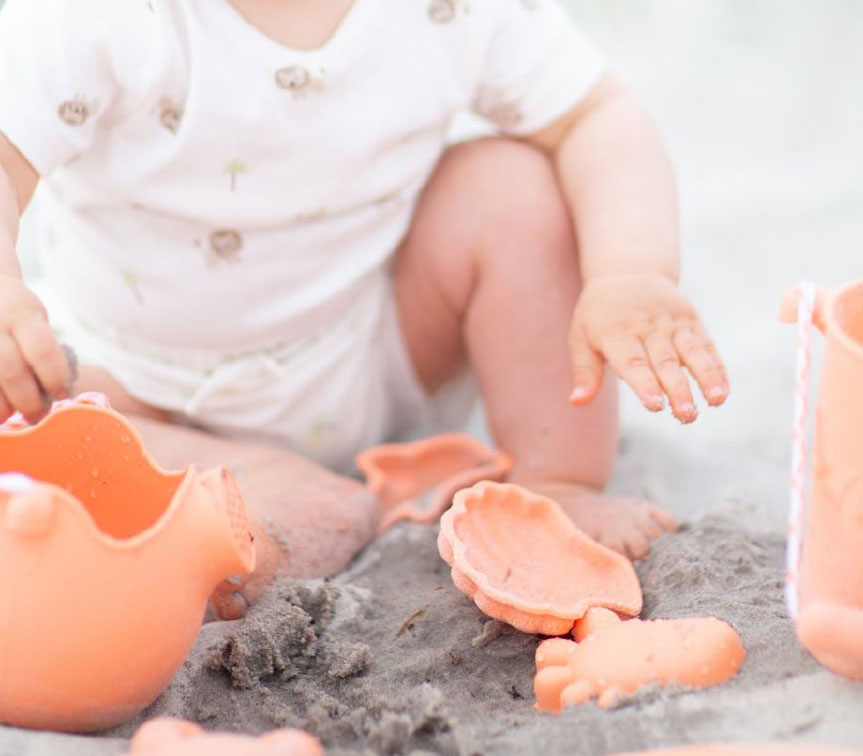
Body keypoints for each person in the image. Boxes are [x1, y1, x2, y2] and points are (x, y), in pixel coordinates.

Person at [0, 0, 728, 616]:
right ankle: (250, 514)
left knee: (512, 187)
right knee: (51, 425)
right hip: (140, 385)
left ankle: (554, 479)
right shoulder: (101, 18)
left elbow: (593, 114)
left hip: (373, 345)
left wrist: (630, 269)